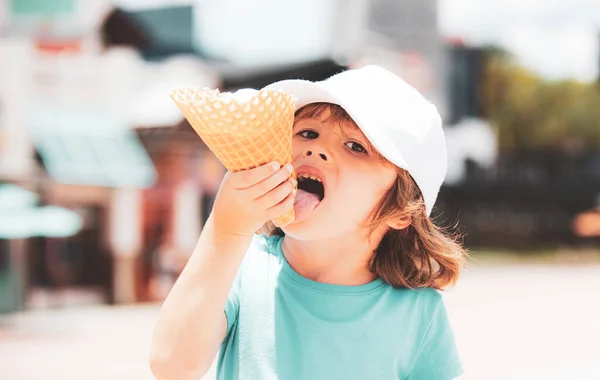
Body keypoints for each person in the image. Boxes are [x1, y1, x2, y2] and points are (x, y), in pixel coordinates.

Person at [150, 65, 469, 380]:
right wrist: (225, 229)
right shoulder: (242, 267)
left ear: (402, 211)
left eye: (356, 146)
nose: (316, 148)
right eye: (307, 132)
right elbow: (171, 366)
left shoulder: (418, 313)